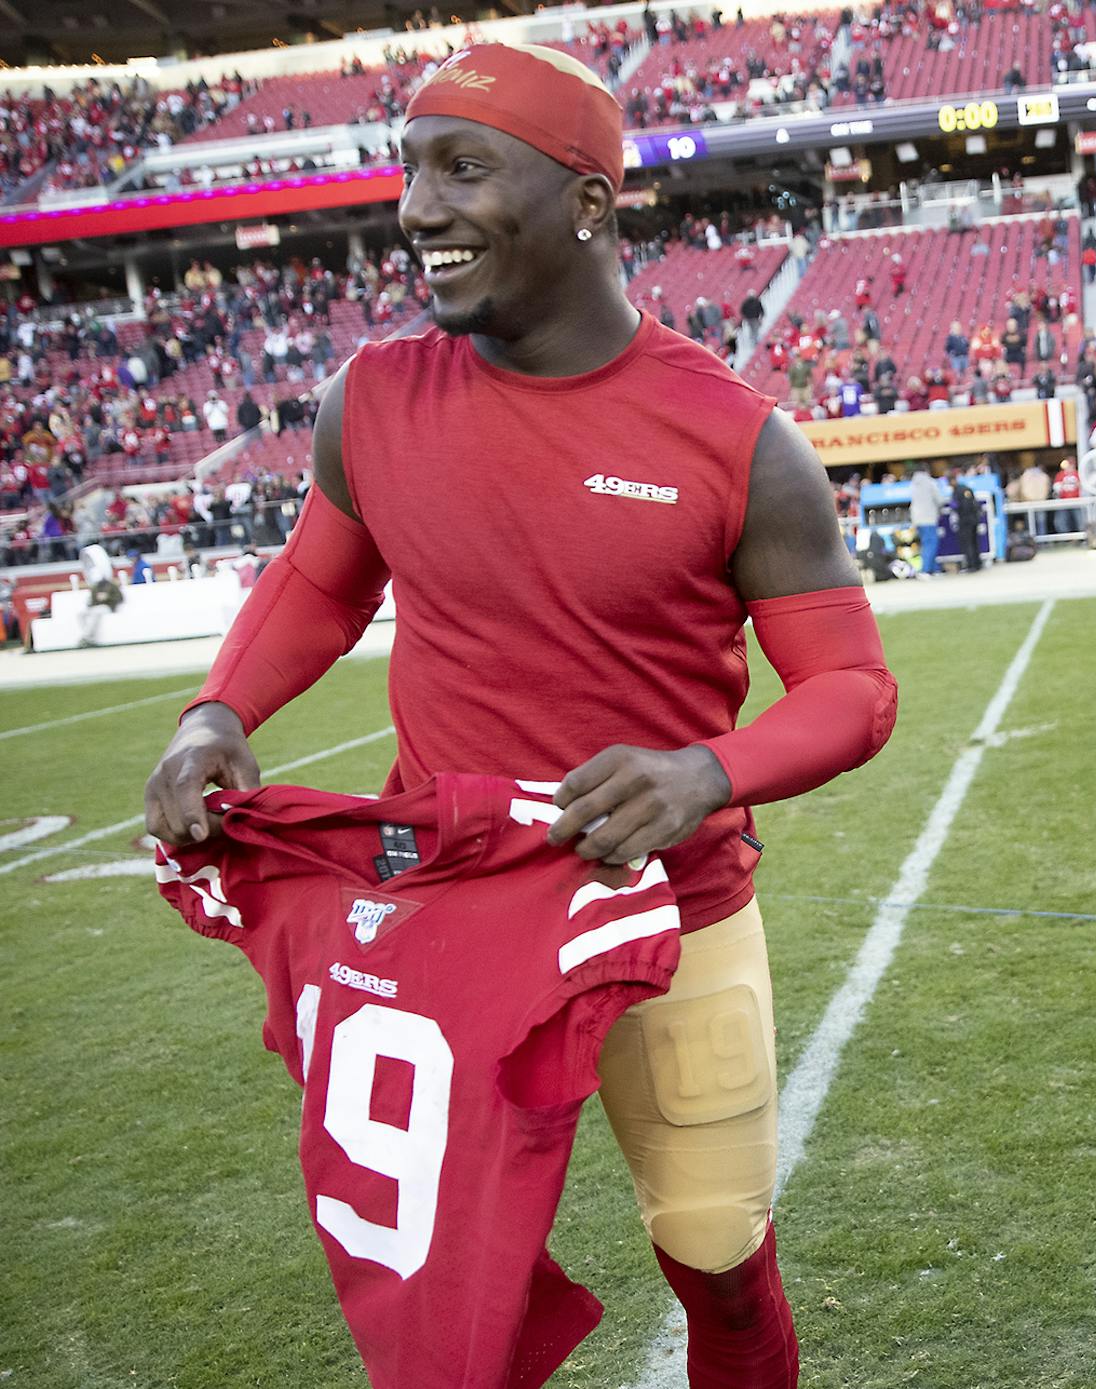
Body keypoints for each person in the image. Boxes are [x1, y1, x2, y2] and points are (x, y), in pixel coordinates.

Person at [140, 44, 898, 1389]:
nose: (416, 209)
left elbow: (853, 688)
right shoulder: (371, 399)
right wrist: (218, 710)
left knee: (720, 1267)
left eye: (463, 167)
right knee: (447, 1305)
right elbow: (319, 582)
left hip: (674, 916)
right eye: (410, 167)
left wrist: (703, 773)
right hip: (454, 924)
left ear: (593, 207)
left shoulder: (734, 439)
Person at [909, 464, 942, 574]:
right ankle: (926, 570)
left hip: (917, 519)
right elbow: (939, 500)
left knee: (925, 544)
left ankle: (934, 568)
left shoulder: (913, 484)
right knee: (931, 543)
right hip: (929, 518)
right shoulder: (930, 482)